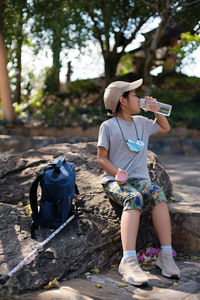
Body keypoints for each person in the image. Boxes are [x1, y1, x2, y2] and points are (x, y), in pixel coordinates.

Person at [97, 79, 180, 287]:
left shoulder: (142, 123)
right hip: (116, 180)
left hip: (140, 179)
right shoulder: (107, 126)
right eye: (134, 95)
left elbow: (165, 127)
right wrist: (117, 172)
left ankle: (166, 256)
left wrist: (155, 110)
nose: (138, 98)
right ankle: (129, 260)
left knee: (157, 193)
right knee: (133, 198)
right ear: (123, 101)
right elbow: (101, 158)